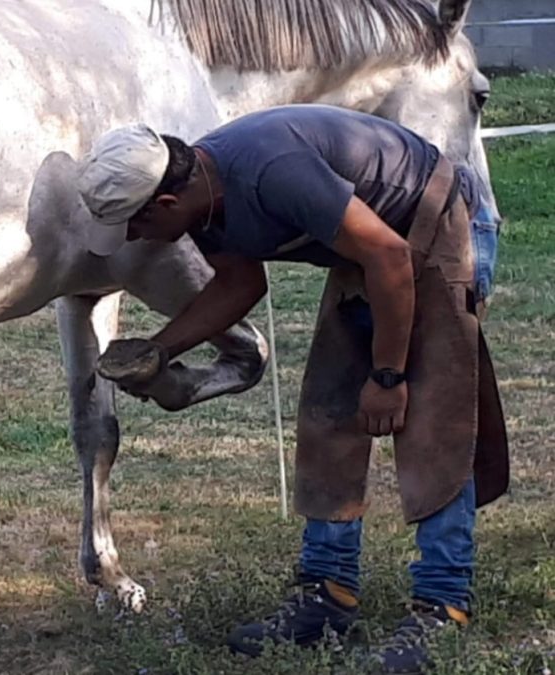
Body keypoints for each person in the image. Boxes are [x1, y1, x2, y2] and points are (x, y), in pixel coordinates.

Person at [75, 105, 508, 674]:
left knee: (432, 419)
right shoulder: (202, 198)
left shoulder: (271, 171)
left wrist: (387, 377)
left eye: (135, 225)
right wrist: (162, 349)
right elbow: (239, 281)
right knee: (329, 413)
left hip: (436, 226)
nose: (133, 238)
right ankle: (328, 596)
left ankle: (441, 605)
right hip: (373, 248)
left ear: (164, 204)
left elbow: (390, 255)